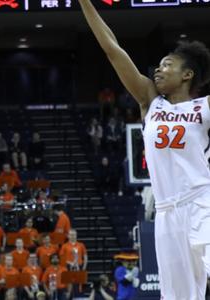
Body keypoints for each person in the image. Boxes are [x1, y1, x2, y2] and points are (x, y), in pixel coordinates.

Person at [79, 0, 210, 297]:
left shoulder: (204, 106)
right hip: (165, 212)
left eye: (167, 65)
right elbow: (113, 50)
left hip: (202, 201)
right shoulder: (151, 102)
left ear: (187, 75)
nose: (158, 70)